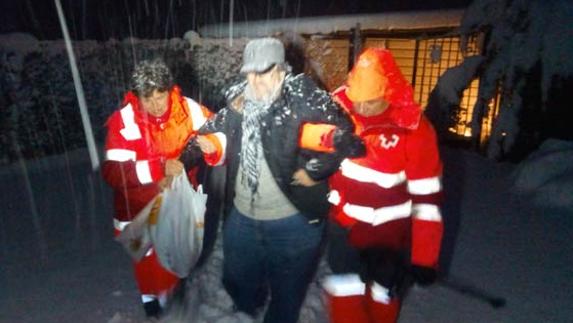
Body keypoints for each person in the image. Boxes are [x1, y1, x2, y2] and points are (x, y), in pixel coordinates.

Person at [194, 37, 363, 323]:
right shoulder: (238, 102)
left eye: (263, 73)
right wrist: (208, 142)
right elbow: (206, 131)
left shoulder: (303, 96)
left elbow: (347, 137)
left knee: (287, 293)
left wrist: (315, 170)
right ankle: (248, 303)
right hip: (243, 216)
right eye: (250, 73)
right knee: (237, 277)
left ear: (281, 71)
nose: (255, 82)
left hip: (293, 221)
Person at [320, 48, 444, 322]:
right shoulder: (340, 113)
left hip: (389, 237)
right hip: (345, 229)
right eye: (357, 100)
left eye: (371, 101)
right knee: (344, 290)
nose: (361, 108)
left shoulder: (414, 130)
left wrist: (425, 258)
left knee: (382, 295)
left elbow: (427, 200)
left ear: (389, 93)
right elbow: (307, 139)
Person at [101, 58, 214, 318]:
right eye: (147, 98)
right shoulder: (123, 121)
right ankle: (150, 300)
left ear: (170, 90)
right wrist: (157, 169)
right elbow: (112, 172)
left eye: (159, 96)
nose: (154, 105)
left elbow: (216, 132)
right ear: (136, 96)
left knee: (171, 256)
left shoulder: (190, 111)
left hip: (175, 205)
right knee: (144, 257)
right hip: (136, 208)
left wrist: (205, 149)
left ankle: (168, 306)